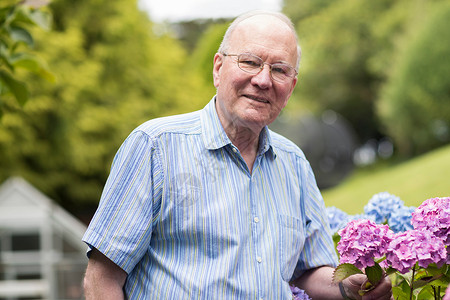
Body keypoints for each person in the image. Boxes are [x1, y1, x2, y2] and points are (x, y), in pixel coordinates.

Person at [82, 10, 393, 299]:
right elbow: (101, 278)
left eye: (280, 70)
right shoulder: (155, 146)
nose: (263, 80)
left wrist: (351, 286)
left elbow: (310, 268)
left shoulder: (295, 163)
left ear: (292, 85)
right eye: (250, 62)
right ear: (219, 68)